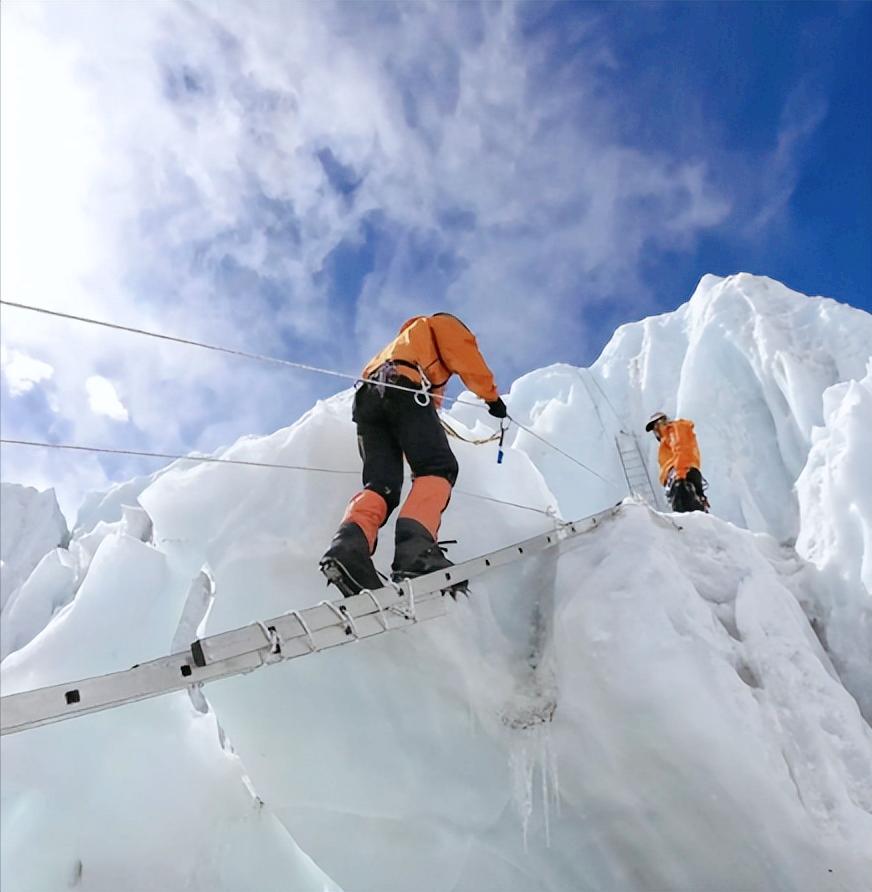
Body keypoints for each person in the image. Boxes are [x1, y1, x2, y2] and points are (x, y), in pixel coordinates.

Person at [320, 313, 507, 597]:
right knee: (438, 468)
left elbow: (430, 402)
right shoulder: (440, 324)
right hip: (404, 387)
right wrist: (492, 398)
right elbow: (464, 355)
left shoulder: (400, 345)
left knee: (381, 484)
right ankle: (415, 551)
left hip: (368, 401)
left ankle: (348, 547)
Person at [644, 411, 709, 513]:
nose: (655, 430)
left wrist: (679, 476)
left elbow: (681, 449)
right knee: (691, 513)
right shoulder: (667, 438)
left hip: (681, 475)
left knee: (687, 516)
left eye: (656, 425)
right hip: (680, 476)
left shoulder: (673, 430)